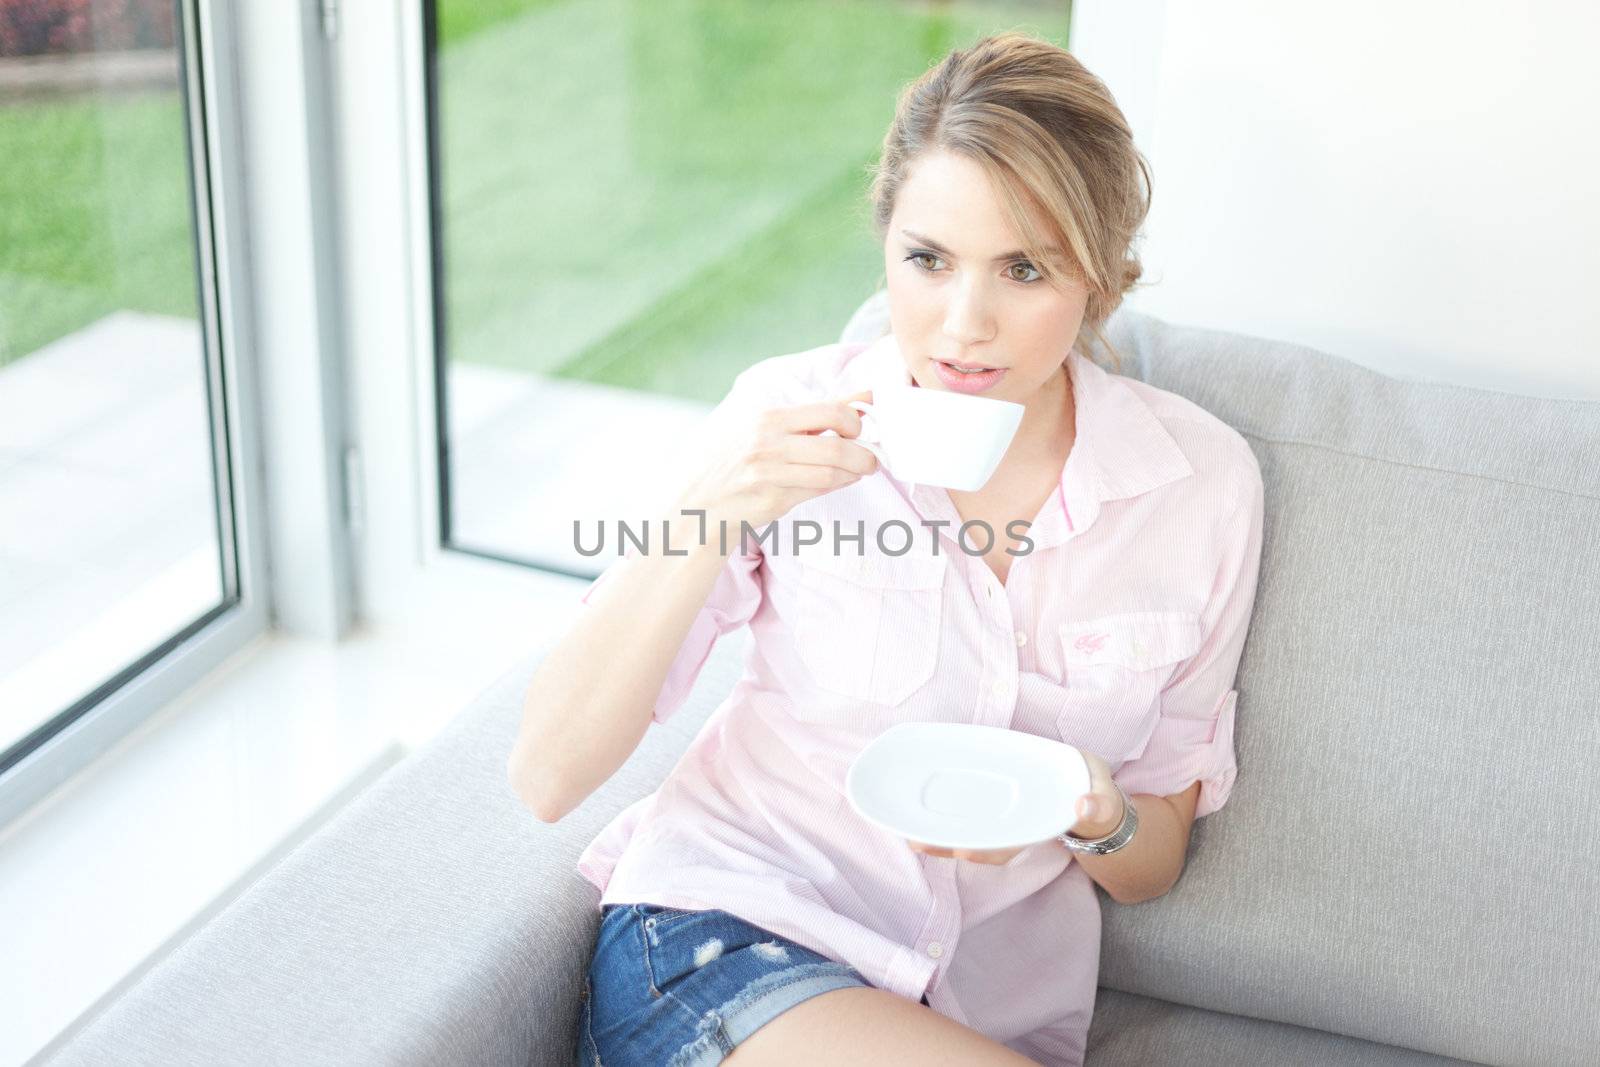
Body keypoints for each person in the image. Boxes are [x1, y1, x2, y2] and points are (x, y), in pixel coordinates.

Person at [510, 30, 1265, 1067]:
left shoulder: (1199, 488)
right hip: (728, 936)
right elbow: (548, 772)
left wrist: (1094, 809)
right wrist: (710, 510)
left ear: (1100, 275)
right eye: (927, 260)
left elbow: (1154, 859)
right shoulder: (786, 420)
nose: (964, 324)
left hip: (979, 1017)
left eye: (1024, 268)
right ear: (885, 246)